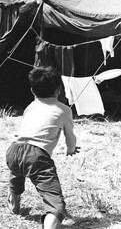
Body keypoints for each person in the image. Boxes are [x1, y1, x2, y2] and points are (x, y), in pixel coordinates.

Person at [5, 66, 80, 229]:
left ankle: (14, 202)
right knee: (55, 203)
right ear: (59, 90)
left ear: (32, 90)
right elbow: (70, 137)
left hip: (14, 150)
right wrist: (71, 149)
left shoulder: (30, 107)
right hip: (37, 156)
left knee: (17, 172)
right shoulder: (64, 109)